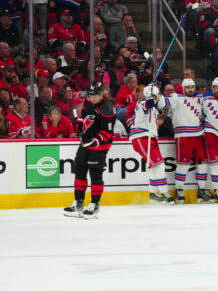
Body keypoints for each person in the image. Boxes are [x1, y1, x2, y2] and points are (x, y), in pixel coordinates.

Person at [63, 81, 116, 219]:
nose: (92, 98)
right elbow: (85, 115)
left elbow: (108, 133)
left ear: (101, 94)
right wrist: (80, 123)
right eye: (90, 95)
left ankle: (94, 205)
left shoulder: (107, 110)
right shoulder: (88, 100)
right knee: (79, 171)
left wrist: (97, 139)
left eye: (95, 96)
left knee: (95, 174)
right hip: (85, 142)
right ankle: (78, 202)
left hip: (99, 145)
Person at [167, 78, 210, 203]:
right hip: (183, 135)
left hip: (199, 135)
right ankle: (179, 189)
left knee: (203, 164)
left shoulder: (199, 99)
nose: (190, 89)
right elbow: (166, 104)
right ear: (183, 88)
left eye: (192, 87)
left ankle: (201, 191)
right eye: (188, 87)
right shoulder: (176, 98)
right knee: (183, 165)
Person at [129, 84, 174, 203]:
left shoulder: (153, 108)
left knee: (154, 165)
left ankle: (153, 192)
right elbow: (147, 104)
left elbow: (162, 106)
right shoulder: (142, 104)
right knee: (159, 165)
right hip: (141, 138)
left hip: (150, 137)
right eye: (157, 95)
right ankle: (164, 192)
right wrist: (150, 97)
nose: (159, 97)